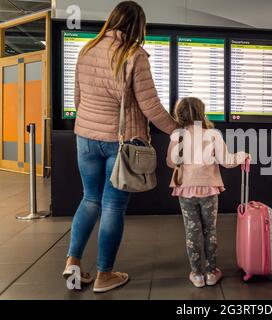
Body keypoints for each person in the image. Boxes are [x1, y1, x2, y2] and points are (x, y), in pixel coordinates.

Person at [63, 1, 177, 293]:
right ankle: (104, 275)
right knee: (112, 205)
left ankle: (73, 263)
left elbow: (77, 98)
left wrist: (90, 126)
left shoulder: (87, 49)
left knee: (90, 199)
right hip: (120, 142)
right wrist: (178, 130)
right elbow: (150, 107)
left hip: (85, 137)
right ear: (138, 26)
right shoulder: (134, 56)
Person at [166, 97, 250, 288]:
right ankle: (211, 272)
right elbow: (227, 161)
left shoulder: (177, 135)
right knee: (209, 230)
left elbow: (170, 162)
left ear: (180, 115)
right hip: (209, 189)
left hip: (185, 190)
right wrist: (243, 155)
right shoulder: (212, 134)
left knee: (191, 232)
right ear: (201, 113)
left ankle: (197, 275)